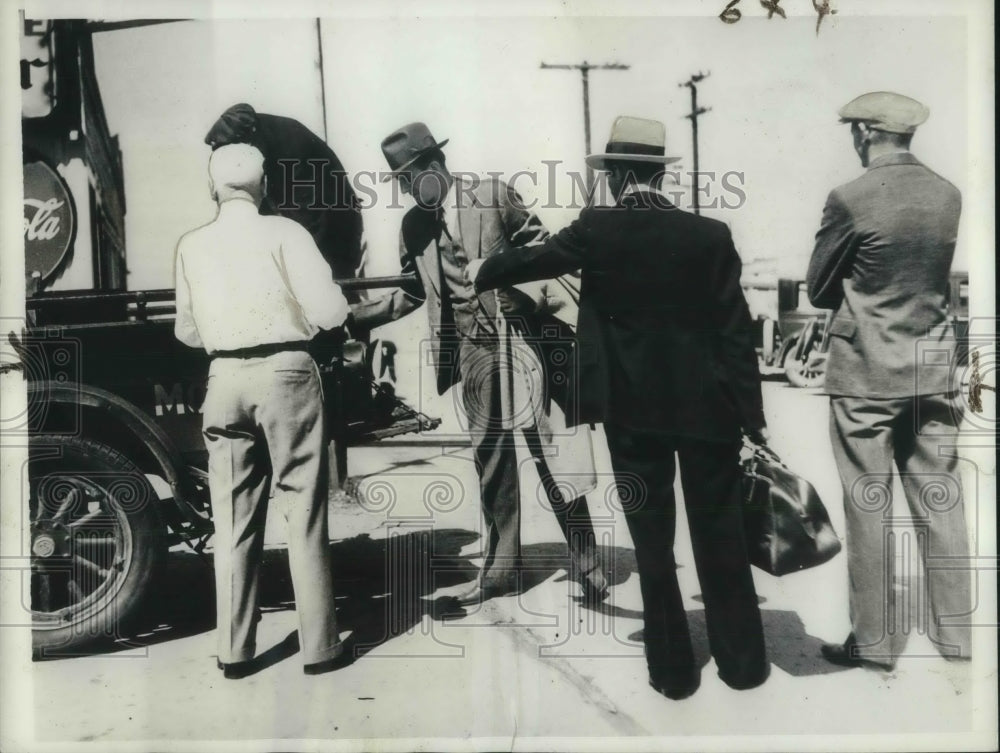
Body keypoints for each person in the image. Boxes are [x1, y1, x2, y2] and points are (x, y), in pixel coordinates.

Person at [469, 116, 769, 699]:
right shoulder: (711, 234)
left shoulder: (598, 229)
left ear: (613, 177)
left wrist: (483, 270)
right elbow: (737, 335)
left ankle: (673, 673)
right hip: (710, 412)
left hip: (634, 414)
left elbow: (539, 260)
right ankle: (743, 664)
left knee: (653, 541)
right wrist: (753, 418)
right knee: (720, 533)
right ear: (659, 173)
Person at [351, 122, 609, 606]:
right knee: (491, 463)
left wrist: (527, 299)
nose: (406, 189)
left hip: (524, 343)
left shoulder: (492, 196)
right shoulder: (412, 227)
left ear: (436, 166)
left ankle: (588, 561)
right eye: (400, 182)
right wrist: (355, 319)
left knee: (553, 454)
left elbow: (548, 254)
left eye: (410, 178)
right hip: (471, 356)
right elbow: (413, 291)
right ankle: (500, 572)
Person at [807, 92, 971, 670]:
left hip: (866, 373)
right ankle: (956, 635)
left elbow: (819, 288)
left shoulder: (850, 198)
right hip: (931, 367)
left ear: (864, 133)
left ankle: (874, 643)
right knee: (941, 498)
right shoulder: (948, 194)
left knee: (868, 502)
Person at [174, 144, 350, 677]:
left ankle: (234, 652)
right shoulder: (286, 233)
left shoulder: (191, 245)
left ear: (212, 187)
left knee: (231, 520)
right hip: (287, 374)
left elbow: (185, 330)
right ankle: (320, 647)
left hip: (223, 378)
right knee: (304, 512)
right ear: (263, 184)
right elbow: (329, 310)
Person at [204, 103, 365, 295]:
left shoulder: (291, 147)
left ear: (250, 136)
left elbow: (311, 219)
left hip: (334, 225)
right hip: (309, 218)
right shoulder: (259, 141)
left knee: (332, 292)